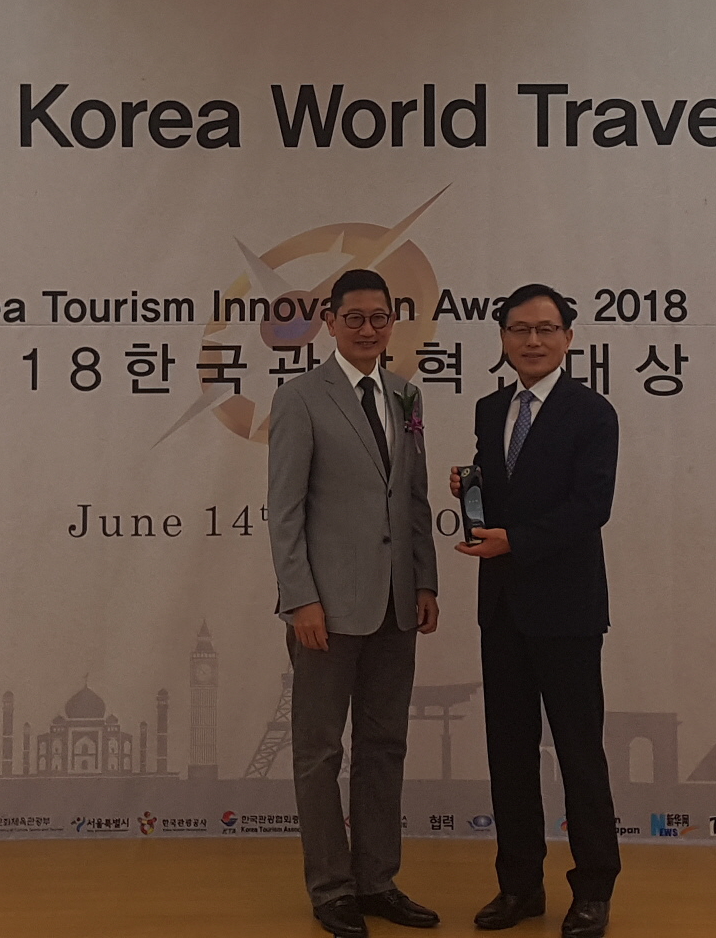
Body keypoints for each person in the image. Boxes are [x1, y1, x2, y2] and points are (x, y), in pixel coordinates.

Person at [267, 268, 441, 937]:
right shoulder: (300, 397)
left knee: (384, 745)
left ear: (392, 323)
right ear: (330, 322)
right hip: (326, 611)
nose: (368, 329)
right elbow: (285, 511)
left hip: (396, 605)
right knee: (318, 752)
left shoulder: (405, 395)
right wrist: (300, 599)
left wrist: (424, 582)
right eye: (355, 318)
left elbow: (415, 498)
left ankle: (377, 882)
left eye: (380, 317)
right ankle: (331, 889)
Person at [452, 284, 620, 937]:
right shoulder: (490, 407)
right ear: (501, 337)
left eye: (546, 329)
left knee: (579, 754)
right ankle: (519, 886)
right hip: (501, 608)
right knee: (509, 754)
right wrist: (470, 487)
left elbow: (590, 506)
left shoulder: (592, 412)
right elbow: (505, 493)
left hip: (568, 611)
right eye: (519, 329)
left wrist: (515, 541)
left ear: (568, 338)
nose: (532, 340)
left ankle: (593, 890)